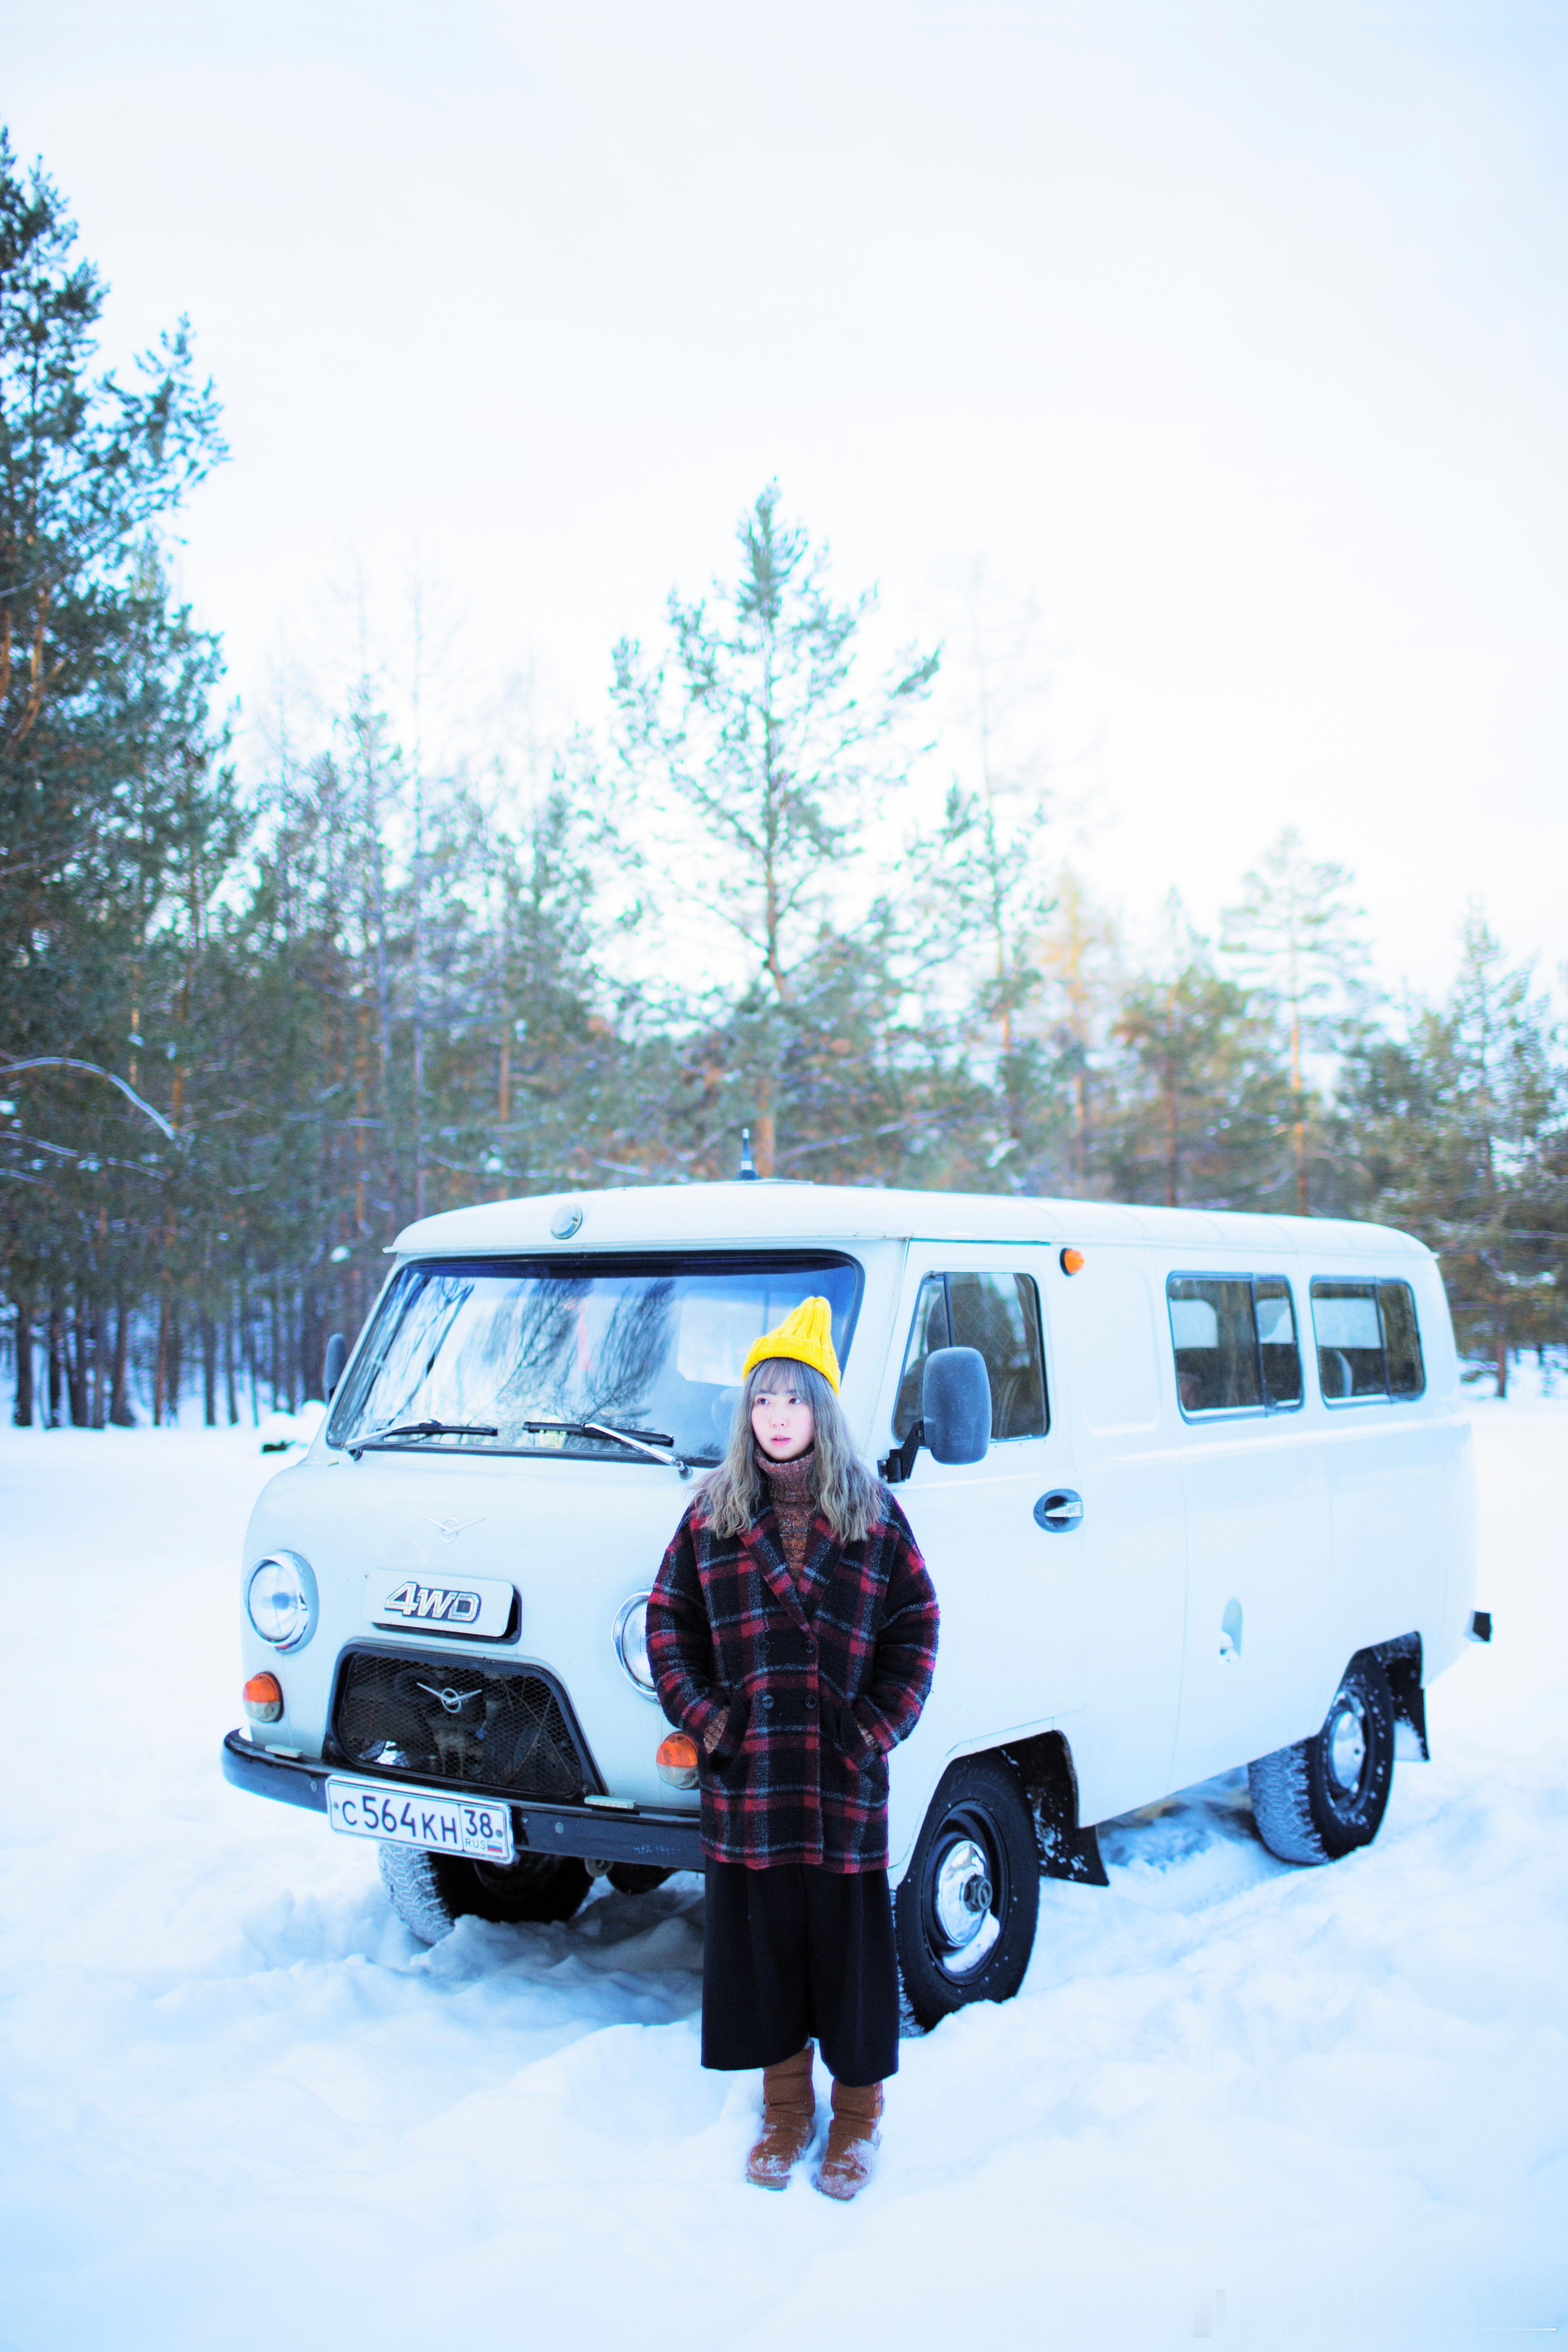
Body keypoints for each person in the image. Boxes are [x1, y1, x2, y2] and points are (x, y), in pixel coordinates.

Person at [645, 1296, 940, 2199]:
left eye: (794, 1399)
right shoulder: (712, 1516)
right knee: (764, 1952)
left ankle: (855, 2122)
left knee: (850, 1961)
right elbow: (669, 1627)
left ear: (823, 1409)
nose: (777, 1416)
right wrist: (711, 1721)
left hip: (842, 1783)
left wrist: (873, 1729)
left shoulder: (873, 1516)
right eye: (762, 1400)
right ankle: (784, 2113)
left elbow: (916, 1631)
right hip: (752, 1783)